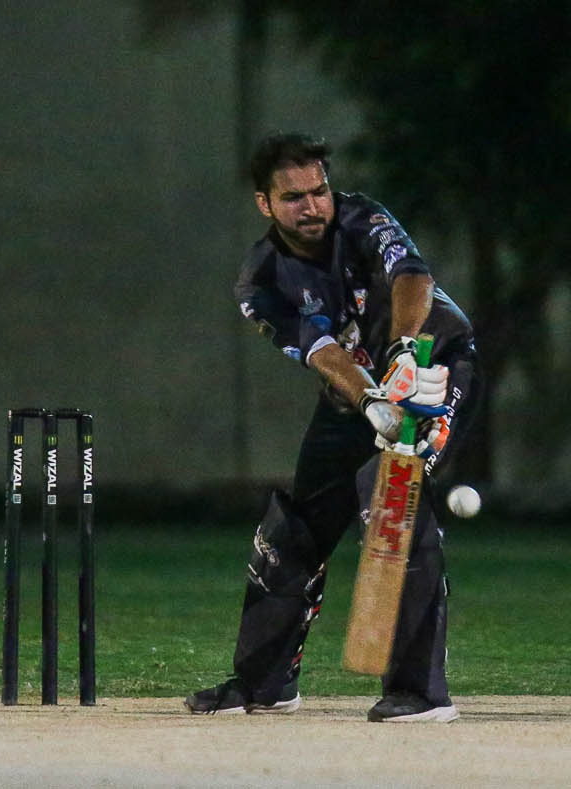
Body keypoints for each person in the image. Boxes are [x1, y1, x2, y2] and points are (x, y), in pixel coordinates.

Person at [185, 133, 480, 723]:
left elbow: (413, 279)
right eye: (293, 197)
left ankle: (420, 693)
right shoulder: (260, 280)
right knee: (294, 527)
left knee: (390, 497)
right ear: (265, 204)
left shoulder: (363, 219)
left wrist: (403, 352)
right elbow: (322, 352)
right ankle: (265, 684)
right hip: (356, 394)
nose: (313, 206)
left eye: (319, 191)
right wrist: (371, 400)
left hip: (432, 372)